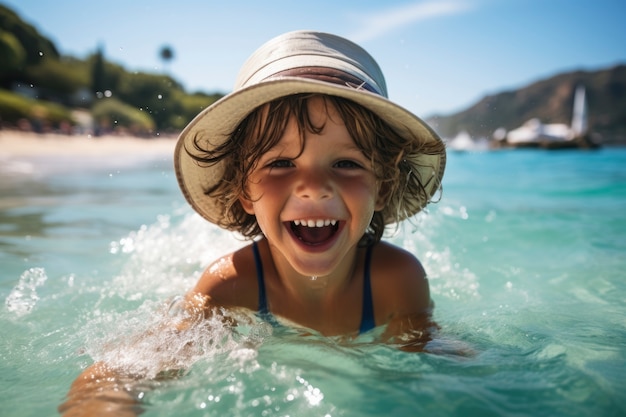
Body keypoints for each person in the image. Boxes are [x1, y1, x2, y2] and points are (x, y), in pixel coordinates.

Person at [60, 30, 446, 416]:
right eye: (280, 163)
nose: (314, 188)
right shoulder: (230, 287)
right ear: (244, 190)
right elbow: (123, 371)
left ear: (383, 187)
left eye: (346, 163)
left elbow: (424, 377)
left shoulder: (398, 280)